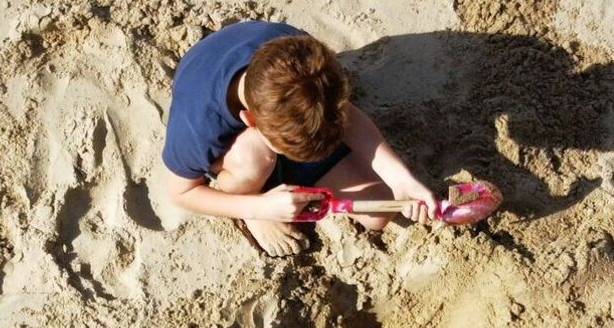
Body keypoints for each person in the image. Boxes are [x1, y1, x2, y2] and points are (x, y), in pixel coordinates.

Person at [157, 21, 440, 256]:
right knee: (254, 158)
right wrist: (258, 208)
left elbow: (351, 119)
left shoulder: (308, 58)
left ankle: (282, 173)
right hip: (236, 139)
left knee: (378, 211)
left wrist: (401, 179)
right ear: (250, 121)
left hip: (270, 90)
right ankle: (252, 198)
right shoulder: (195, 126)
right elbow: (181, 192)